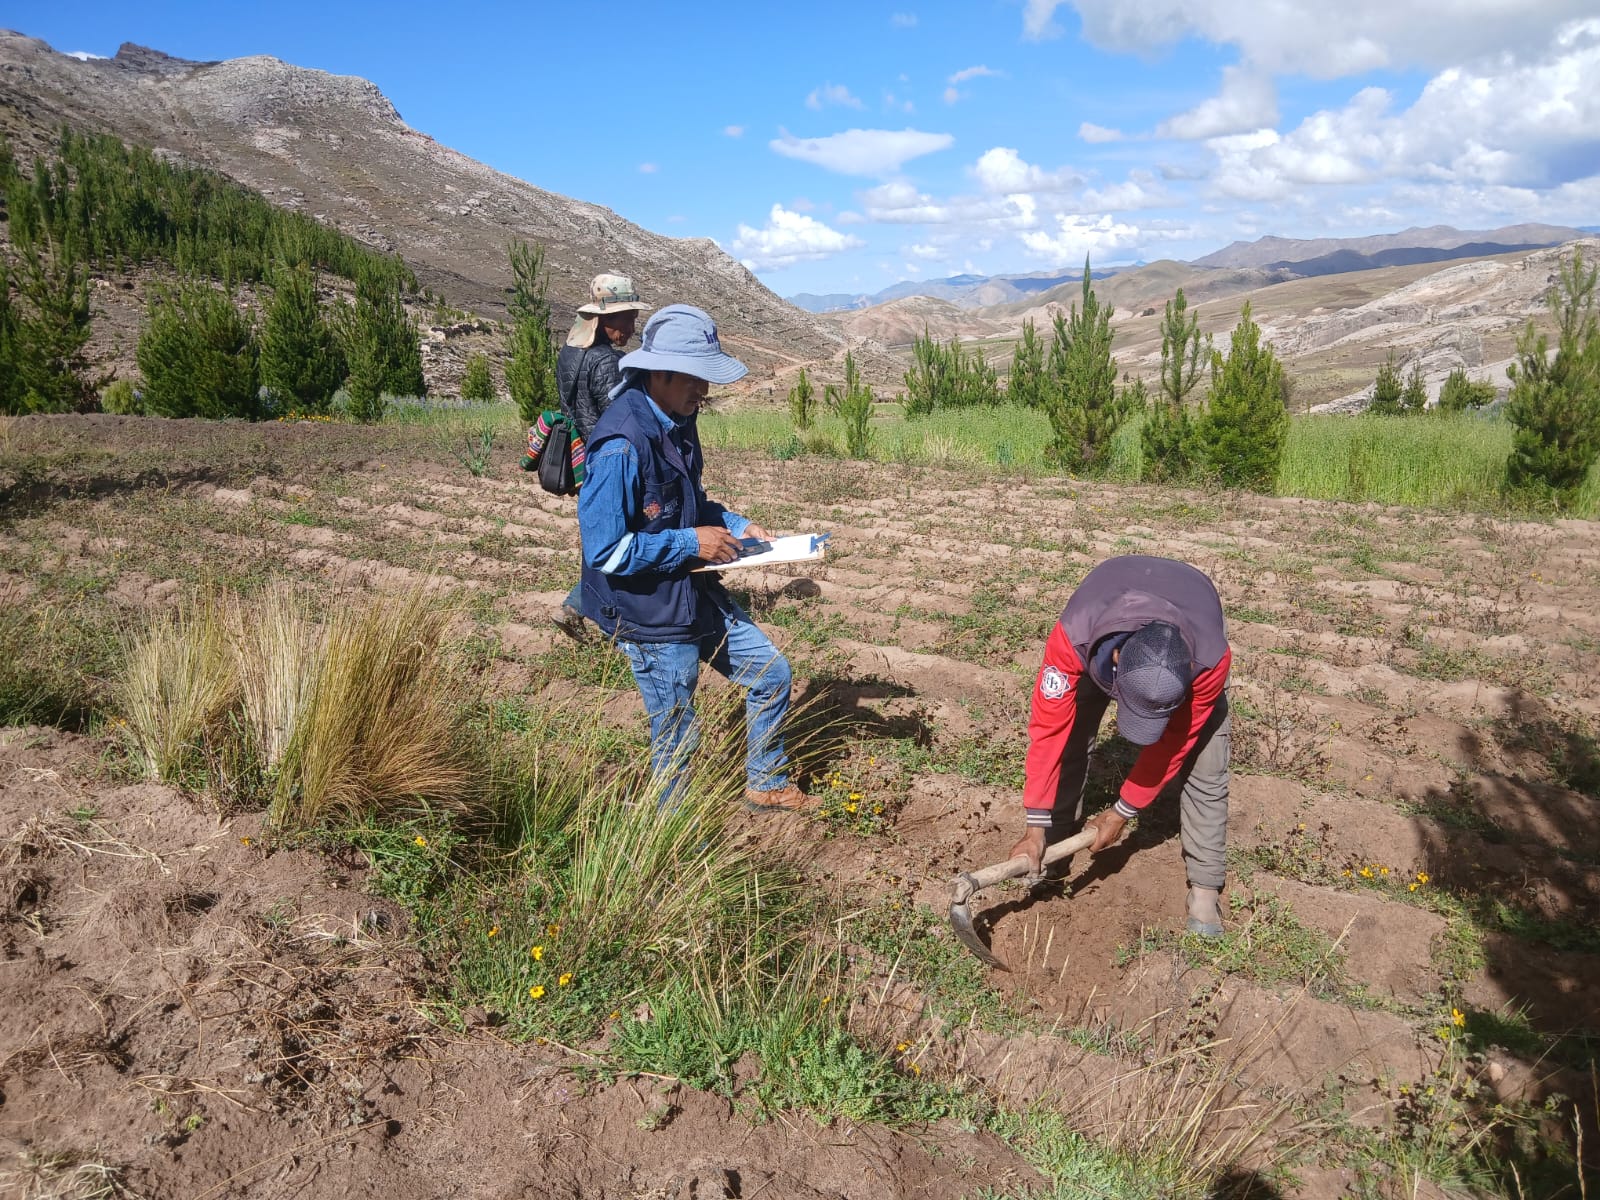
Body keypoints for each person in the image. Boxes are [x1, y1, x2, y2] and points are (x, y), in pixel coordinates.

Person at [576, 303, 810, 812]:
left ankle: (765, 782)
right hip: (649, 612)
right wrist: (691, 543)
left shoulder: (678, 418)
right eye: (696, 378)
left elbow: (687, 502)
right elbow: (605, 550)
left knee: (771, 674)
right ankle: (669, 841)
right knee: (678, 735)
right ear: (658, 372)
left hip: (693, 592)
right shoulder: (620, 444)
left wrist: (733, 524)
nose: (705, 391)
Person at [1008, 555, 1232, 936]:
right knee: (1072, 735)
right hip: (1106, 609)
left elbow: (1173, 746)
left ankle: (1205, 890)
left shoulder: (1209, 662)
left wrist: (1121, 812)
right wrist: (1034, 827)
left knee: (1205, 764)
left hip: (1193, 608)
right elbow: (1049, 733)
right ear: (1115, 660)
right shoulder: (1074, 635)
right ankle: (1052, 844)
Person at [551, 273, 649, 638]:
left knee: (601, 535)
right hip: (609, 459)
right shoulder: (608, 362)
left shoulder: (569, 353)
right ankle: (586, 607)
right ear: (606, 321)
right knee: (622, 539)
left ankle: (581, 606)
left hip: (583, 457)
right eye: (627, 318)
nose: (632, 326)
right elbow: (619, 419)